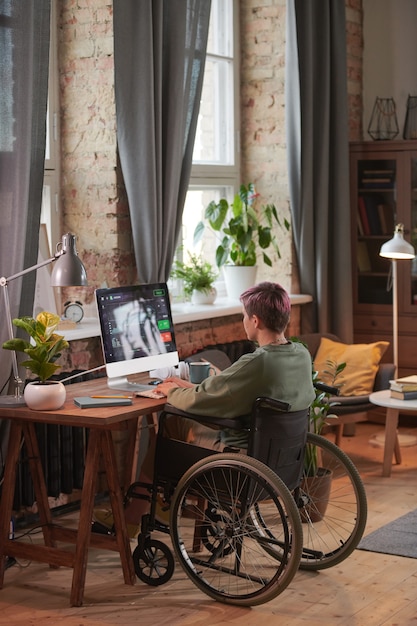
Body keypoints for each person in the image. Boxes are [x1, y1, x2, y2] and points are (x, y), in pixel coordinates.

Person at [93, 281, 315, 534]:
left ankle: (136, 514)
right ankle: (162, 501)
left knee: (172, 420)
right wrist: (187, 386)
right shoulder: (300, 354)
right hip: (281, 455)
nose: (243, 320)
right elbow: (222, 391)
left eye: (243, 315)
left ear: (255, 321)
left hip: (242, 455)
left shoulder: (258, 362)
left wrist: (172, 391)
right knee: (179, 420)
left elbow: (204, 401)